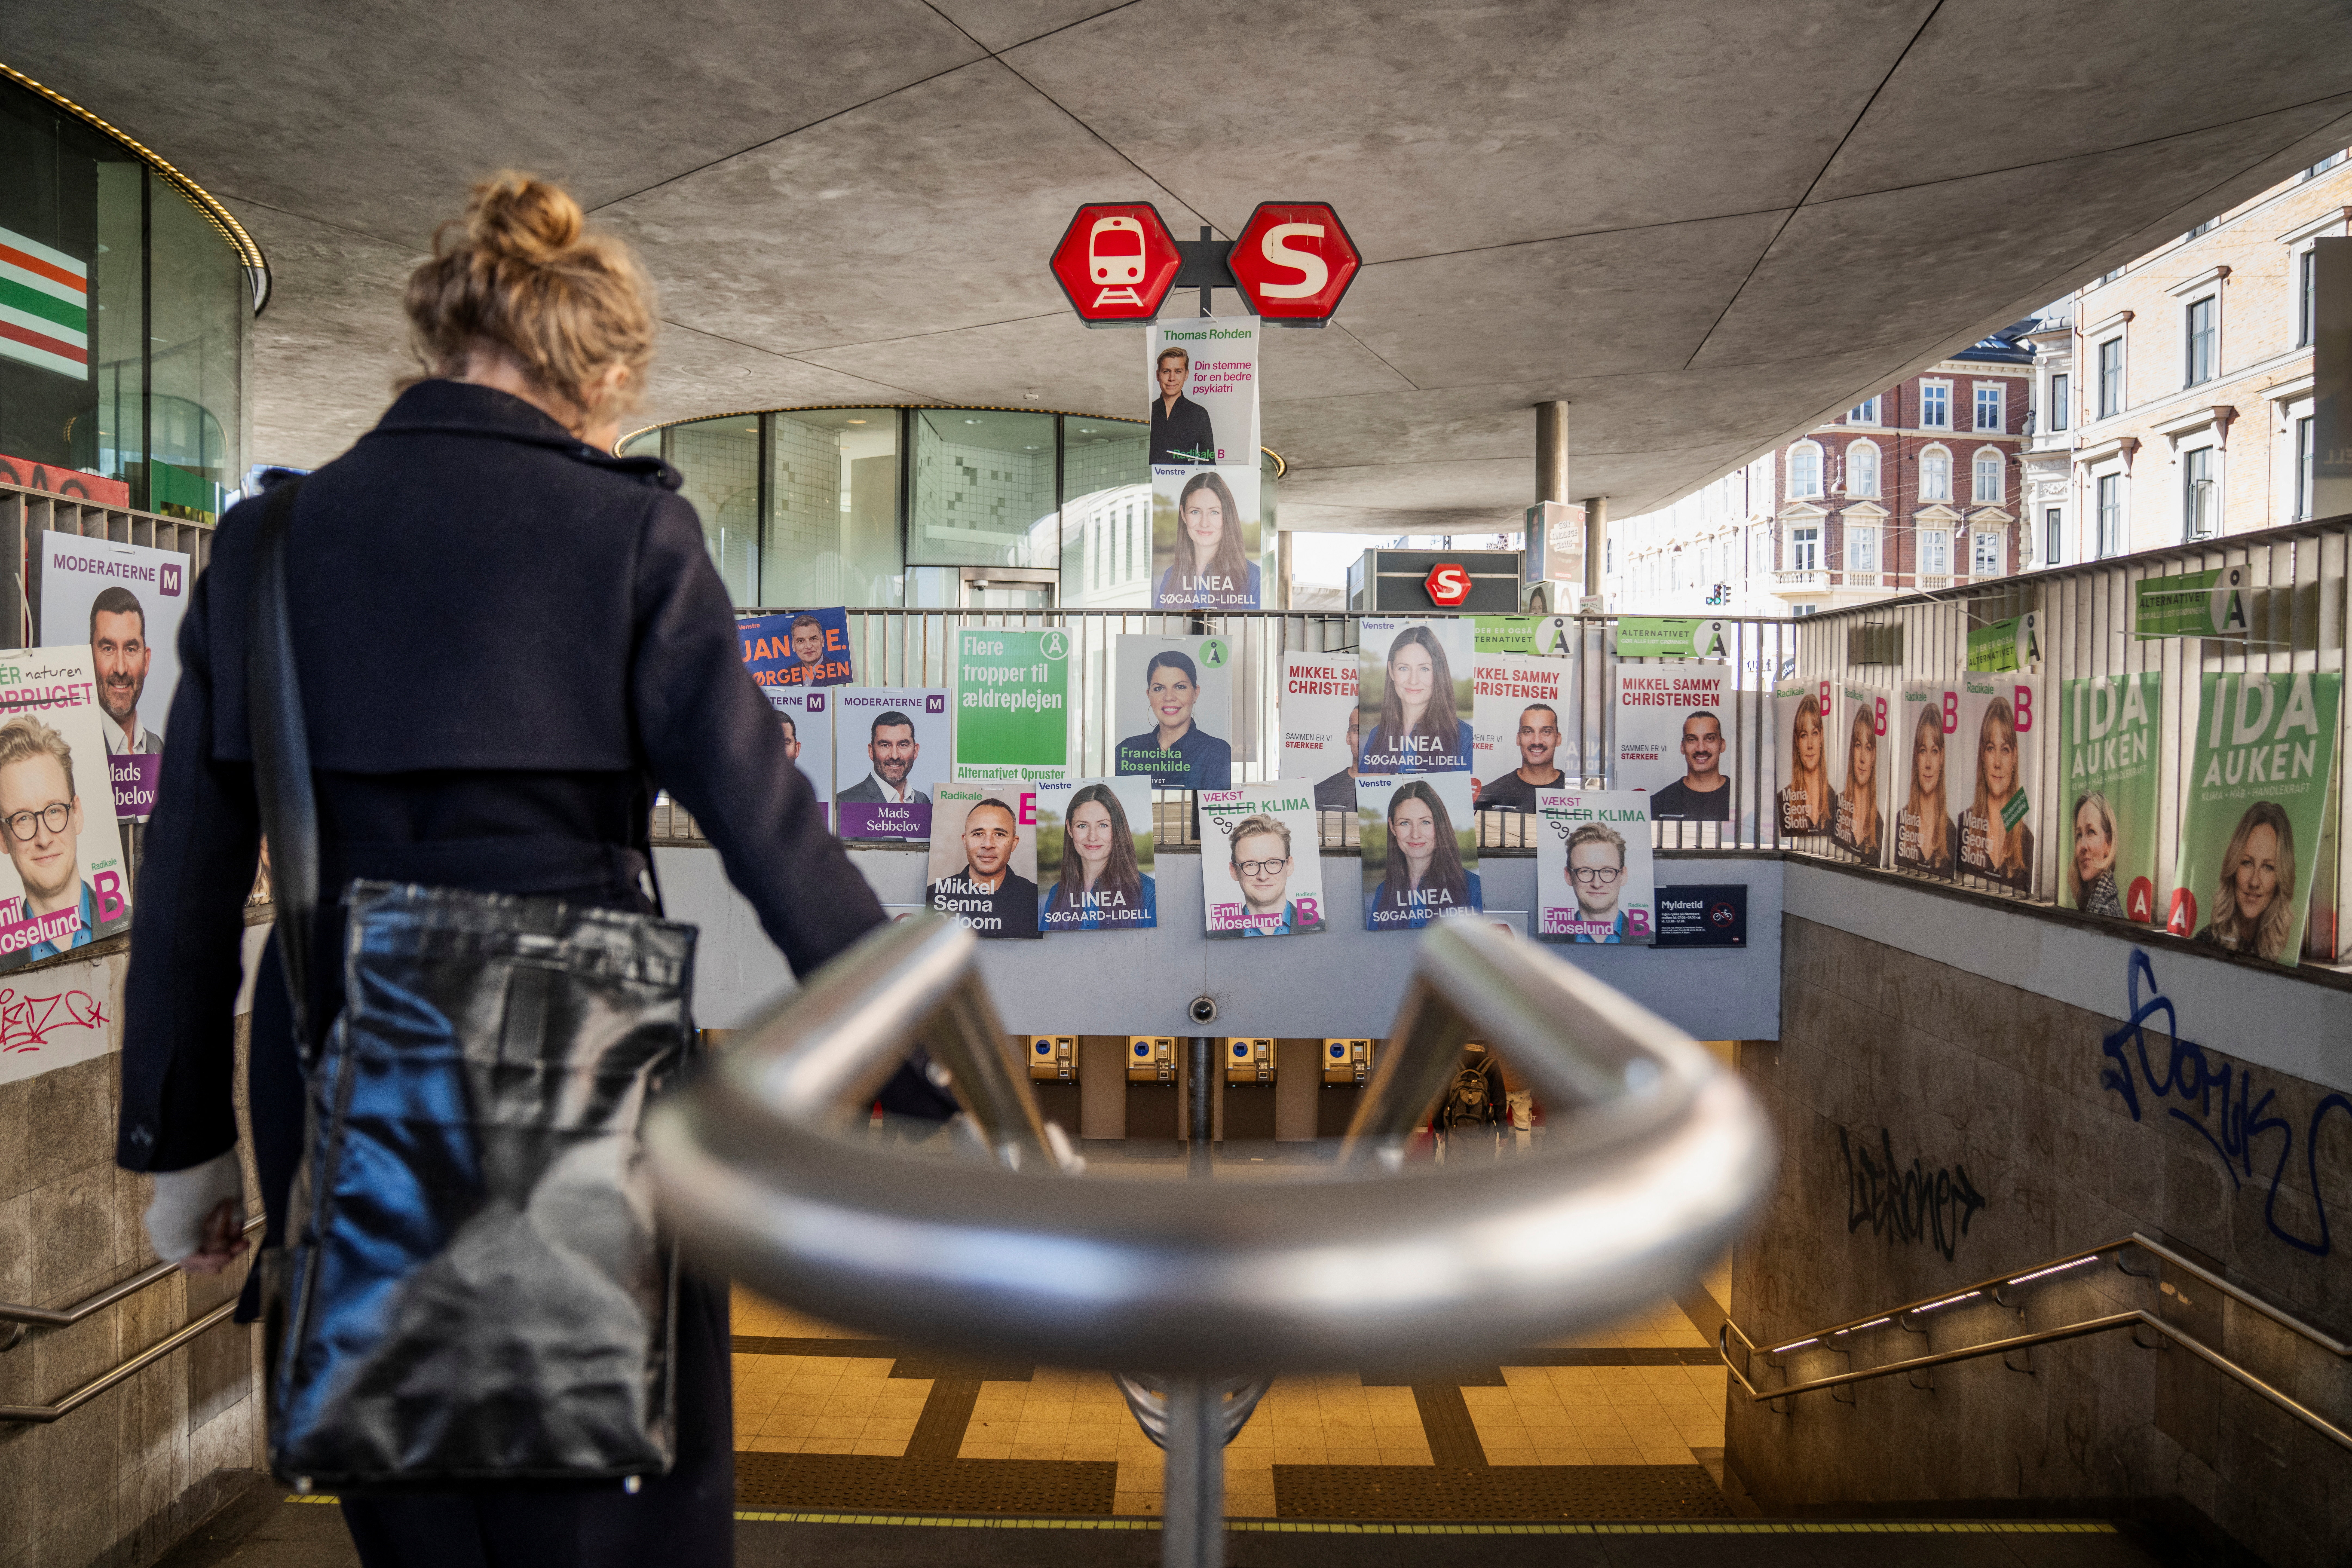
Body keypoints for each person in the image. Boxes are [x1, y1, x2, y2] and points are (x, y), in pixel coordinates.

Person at [115, 174, 950, 1568]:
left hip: (345, 1050)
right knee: (618, 1498)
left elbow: (193, 871)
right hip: (585, 1062)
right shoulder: (630, 533)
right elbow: (773, 830)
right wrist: (926, 1081)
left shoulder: (266, 546)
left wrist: (181, 1139)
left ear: (442, 343)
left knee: (417, 1500)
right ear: (599, 372)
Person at [0, 715, 99, 959]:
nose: (44, 839)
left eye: (54, 811)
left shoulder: (135, 923)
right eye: (22, 818)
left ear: (76, 814)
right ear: (2, 838)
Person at [1365, 780, 1480, 929]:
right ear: (1392, 827)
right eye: (1405, 823)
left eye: (1426, 822)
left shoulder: (1473, 888)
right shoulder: (1383, 891)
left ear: (1440, 824)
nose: (1416, 835)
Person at [1040, 783, 1155, 930]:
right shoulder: (1057, 893)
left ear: (1117, 829)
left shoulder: (1149, 893)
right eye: (1083, 826)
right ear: (1070, 829)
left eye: (1103, 825)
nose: (1092, 837)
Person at [1358, 626, 1472, 773]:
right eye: (1404, 668)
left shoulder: (1466, 739)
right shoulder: (1377, 735)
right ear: (1391, 671)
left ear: (1439, 673)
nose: (1413, 681)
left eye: (1424, 669)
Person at [2193, 800, 2296, 962]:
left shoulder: (2282, 951)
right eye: (2247, 863)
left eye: (2268, 867)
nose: (2254, 882)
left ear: (2280, 879)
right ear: (2234, 869)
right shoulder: (2206, 943)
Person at [1115, 650, 1231, 788]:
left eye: (1180, 687)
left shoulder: (1216, 752)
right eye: (1159, 689)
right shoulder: (1127, 750)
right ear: (1149, 695)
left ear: (1195, 693)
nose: (1169, 697)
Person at [927, 797, 1040, 937]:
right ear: (965, 841)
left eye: (999, 834)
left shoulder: (1037, 901)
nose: (988, 844)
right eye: (978, 834)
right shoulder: (933, 897)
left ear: (1014, 843)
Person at [1153, 470, 1259, 609]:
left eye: (1214, 512)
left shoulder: (1254, 579)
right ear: (1183, 514)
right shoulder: (1171, 576)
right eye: (1195, 512)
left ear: (1227, 516)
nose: (1204, 523)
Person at [1958, 697, 2033, 890]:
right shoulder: (1962, 826)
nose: (1998, 763)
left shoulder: (2028, 842)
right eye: (1991, 749)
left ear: (2015, 756)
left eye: (2005, 750)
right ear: (1983, 755)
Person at [93, 585, 165, 758]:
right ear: (90, 658)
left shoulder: (160, 750)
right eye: (109, 649)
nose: (121, 668)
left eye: (131, 649)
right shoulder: (71, 753)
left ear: (146, 661)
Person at [1896, 703, 1956, 873]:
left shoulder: (1952, 832)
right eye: (1923, 751)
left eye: (1935, 751)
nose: (1928, 764)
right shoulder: (1902, 819)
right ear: (1916, 756)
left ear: (1942, 757)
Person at [1223, 813, 1305, 935]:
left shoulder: (1317, 927)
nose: (1263, 876)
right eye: (1250, 864)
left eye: (1273, 863)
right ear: (1234, 871)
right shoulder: (1217, 935)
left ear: (1289, 866)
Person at [1474, 703, 1564, 812]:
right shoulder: (1490, 794)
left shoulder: (1573, 792)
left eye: (1546, 732)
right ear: (1518, 739)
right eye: (1528, 732)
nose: (1537, 741)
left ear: (1558, 739)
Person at [1558, 820, 1632, 943]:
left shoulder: (1647, 936)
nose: (1597, 884)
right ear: (1569, 876)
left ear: (1623, 875)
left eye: (1607, 871)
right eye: (1585, 871)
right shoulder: (1545, 941)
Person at [1648, 711, 1730, 821]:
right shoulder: (1657, 804)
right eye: (1692, 740)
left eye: (1710, 739)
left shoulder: (1739, 797)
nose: (1701, 749)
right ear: (1683, 747)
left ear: (1722, 745)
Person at [838, 710, 929, 807]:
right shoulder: (845, 804)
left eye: (903, 745)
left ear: (915, 751)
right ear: (872, 752)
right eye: (885, 745)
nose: (895, 756)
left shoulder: (923, 800)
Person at [1832, 704, 1883, 866]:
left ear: (1874, 755)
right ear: (1852, 751)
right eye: (1858, 745)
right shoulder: (1836, 805)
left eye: (1868, 748)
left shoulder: (1880, 825)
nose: (1862, 758)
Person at [1148, 344, 1216, 465]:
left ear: (1186, 375)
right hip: (1148, 483)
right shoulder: (1149, 411)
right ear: (1158, 375)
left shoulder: (1199, 414)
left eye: (1178, 372)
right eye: (1166, 372)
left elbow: (1208, 463)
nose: (1172, 378)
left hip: (1186, 483)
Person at [1775, 695, 1832, 835]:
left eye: (1815, 733)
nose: (1811, 745)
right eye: (1804, 735)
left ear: (1822, 737)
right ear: (1797, 741)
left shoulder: (1835, 800)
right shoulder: (1783, 800)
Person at [2068, 791, 2124, 917]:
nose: (2083, 846)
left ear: (2108, 845)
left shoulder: (2108, 911)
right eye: (2079, 835)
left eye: (2091, 832)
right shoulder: (2091, 902)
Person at [1314, 707, 1359, 812]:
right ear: (1348, 737)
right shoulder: (1320, 792)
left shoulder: (1402, 785)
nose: (1364, 738)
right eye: (1357, 731)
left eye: (1375, 731)